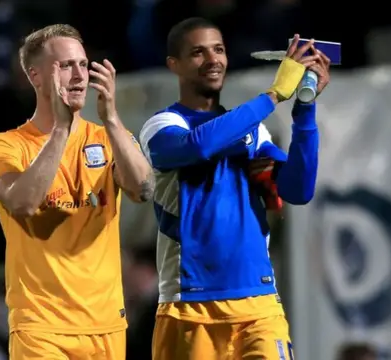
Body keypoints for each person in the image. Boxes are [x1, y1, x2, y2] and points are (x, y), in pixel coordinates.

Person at [138, 17, 331, 359]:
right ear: (174, 65)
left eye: (219, 50)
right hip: (191, 303)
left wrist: (305, 109)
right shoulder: (163, 126)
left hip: (259, 302)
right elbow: (198, 146)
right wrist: (273, 95)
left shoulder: (254, 132)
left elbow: (299, 189)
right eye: (198, 52)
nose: (213, 60)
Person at [0, 24, 153, 360]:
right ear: (36, 76)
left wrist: (112, 120)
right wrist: (61, 129)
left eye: (83, 65)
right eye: (65, 65)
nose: (78, 75)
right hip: (41, 327)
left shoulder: (107, 137)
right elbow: (23, 202)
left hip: (106, 324)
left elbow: (143, 189)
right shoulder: (4, 145)